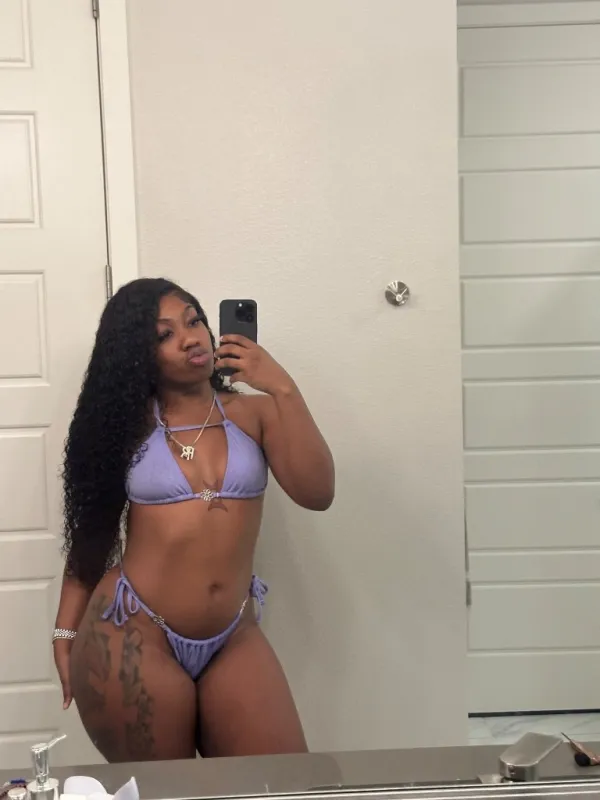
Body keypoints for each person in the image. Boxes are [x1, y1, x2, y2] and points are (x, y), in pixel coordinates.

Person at [53, 278, 334, 762]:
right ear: (138, 355)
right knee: (166, 792)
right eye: (165, 335)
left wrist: (282, 387)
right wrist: (65, 630)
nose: (190, 338)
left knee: (284, 785)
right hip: (133, 632)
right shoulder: (126, 426)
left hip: (233, 635)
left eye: (194, 320)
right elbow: (93, 535)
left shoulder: (255, 413)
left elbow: (318, 494)